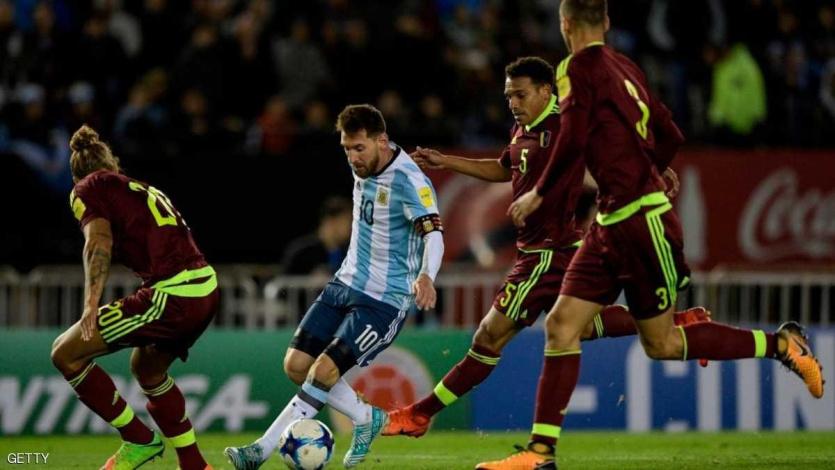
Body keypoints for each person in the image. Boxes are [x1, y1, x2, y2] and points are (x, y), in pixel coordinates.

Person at [480, 2, 825, 469]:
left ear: (564, 24)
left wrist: (539, 193)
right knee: (561, 326)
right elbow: (671, 134)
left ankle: (782, 345)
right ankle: (540, 454)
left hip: (641, 223)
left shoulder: (575, 68)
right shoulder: (626, 67)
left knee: (662, 344)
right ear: (606, 21)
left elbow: (573, 137)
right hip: (610, 222)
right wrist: (652, 169)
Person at [382, 57, 709, 439]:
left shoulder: (565, 123)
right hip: (548, 251)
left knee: (489, 337)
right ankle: (680, 322)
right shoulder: (524, 126)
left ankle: (420, 414)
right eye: (508, 96)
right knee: (582, 328)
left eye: (520, 95)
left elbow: (610, 146)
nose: (512, 103)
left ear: (545, 90)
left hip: (547, 255)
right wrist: (447, 161)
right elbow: (506, 168)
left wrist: (650, 168)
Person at [224, 104, 445, 469]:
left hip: (383, 300)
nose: (353, 157)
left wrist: (426, 275)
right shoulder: (365, 165)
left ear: (382, 141)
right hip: (344, 283)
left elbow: (433, 234)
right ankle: (367, 417)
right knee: (296, 365)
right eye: (346, 148)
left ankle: (260, 451)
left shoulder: (411, 181)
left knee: (324, 372)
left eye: (359, 148)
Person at [50, 125, 218, 470]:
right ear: (112, 164)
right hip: (205, 289)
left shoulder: (87, 188)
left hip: (174, 295)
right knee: (147, 369)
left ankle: (139, 440)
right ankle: (194, 464)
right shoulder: (140, 188)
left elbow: (98, 242)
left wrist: (91, 303)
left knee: (65, 354)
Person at [280, 196, 353, 277]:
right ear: (332, 221)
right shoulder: (302, 252)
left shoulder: (349, 253)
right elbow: (285, 281)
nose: (351, 227)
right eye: (347, 221)